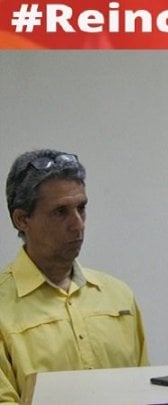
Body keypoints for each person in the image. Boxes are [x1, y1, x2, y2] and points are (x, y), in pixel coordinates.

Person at [0, 150, 148, 403]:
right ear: (22, 219)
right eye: (60, 212)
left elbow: (144, 392)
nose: (77, 224)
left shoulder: (118, 296)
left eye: (81, 208)